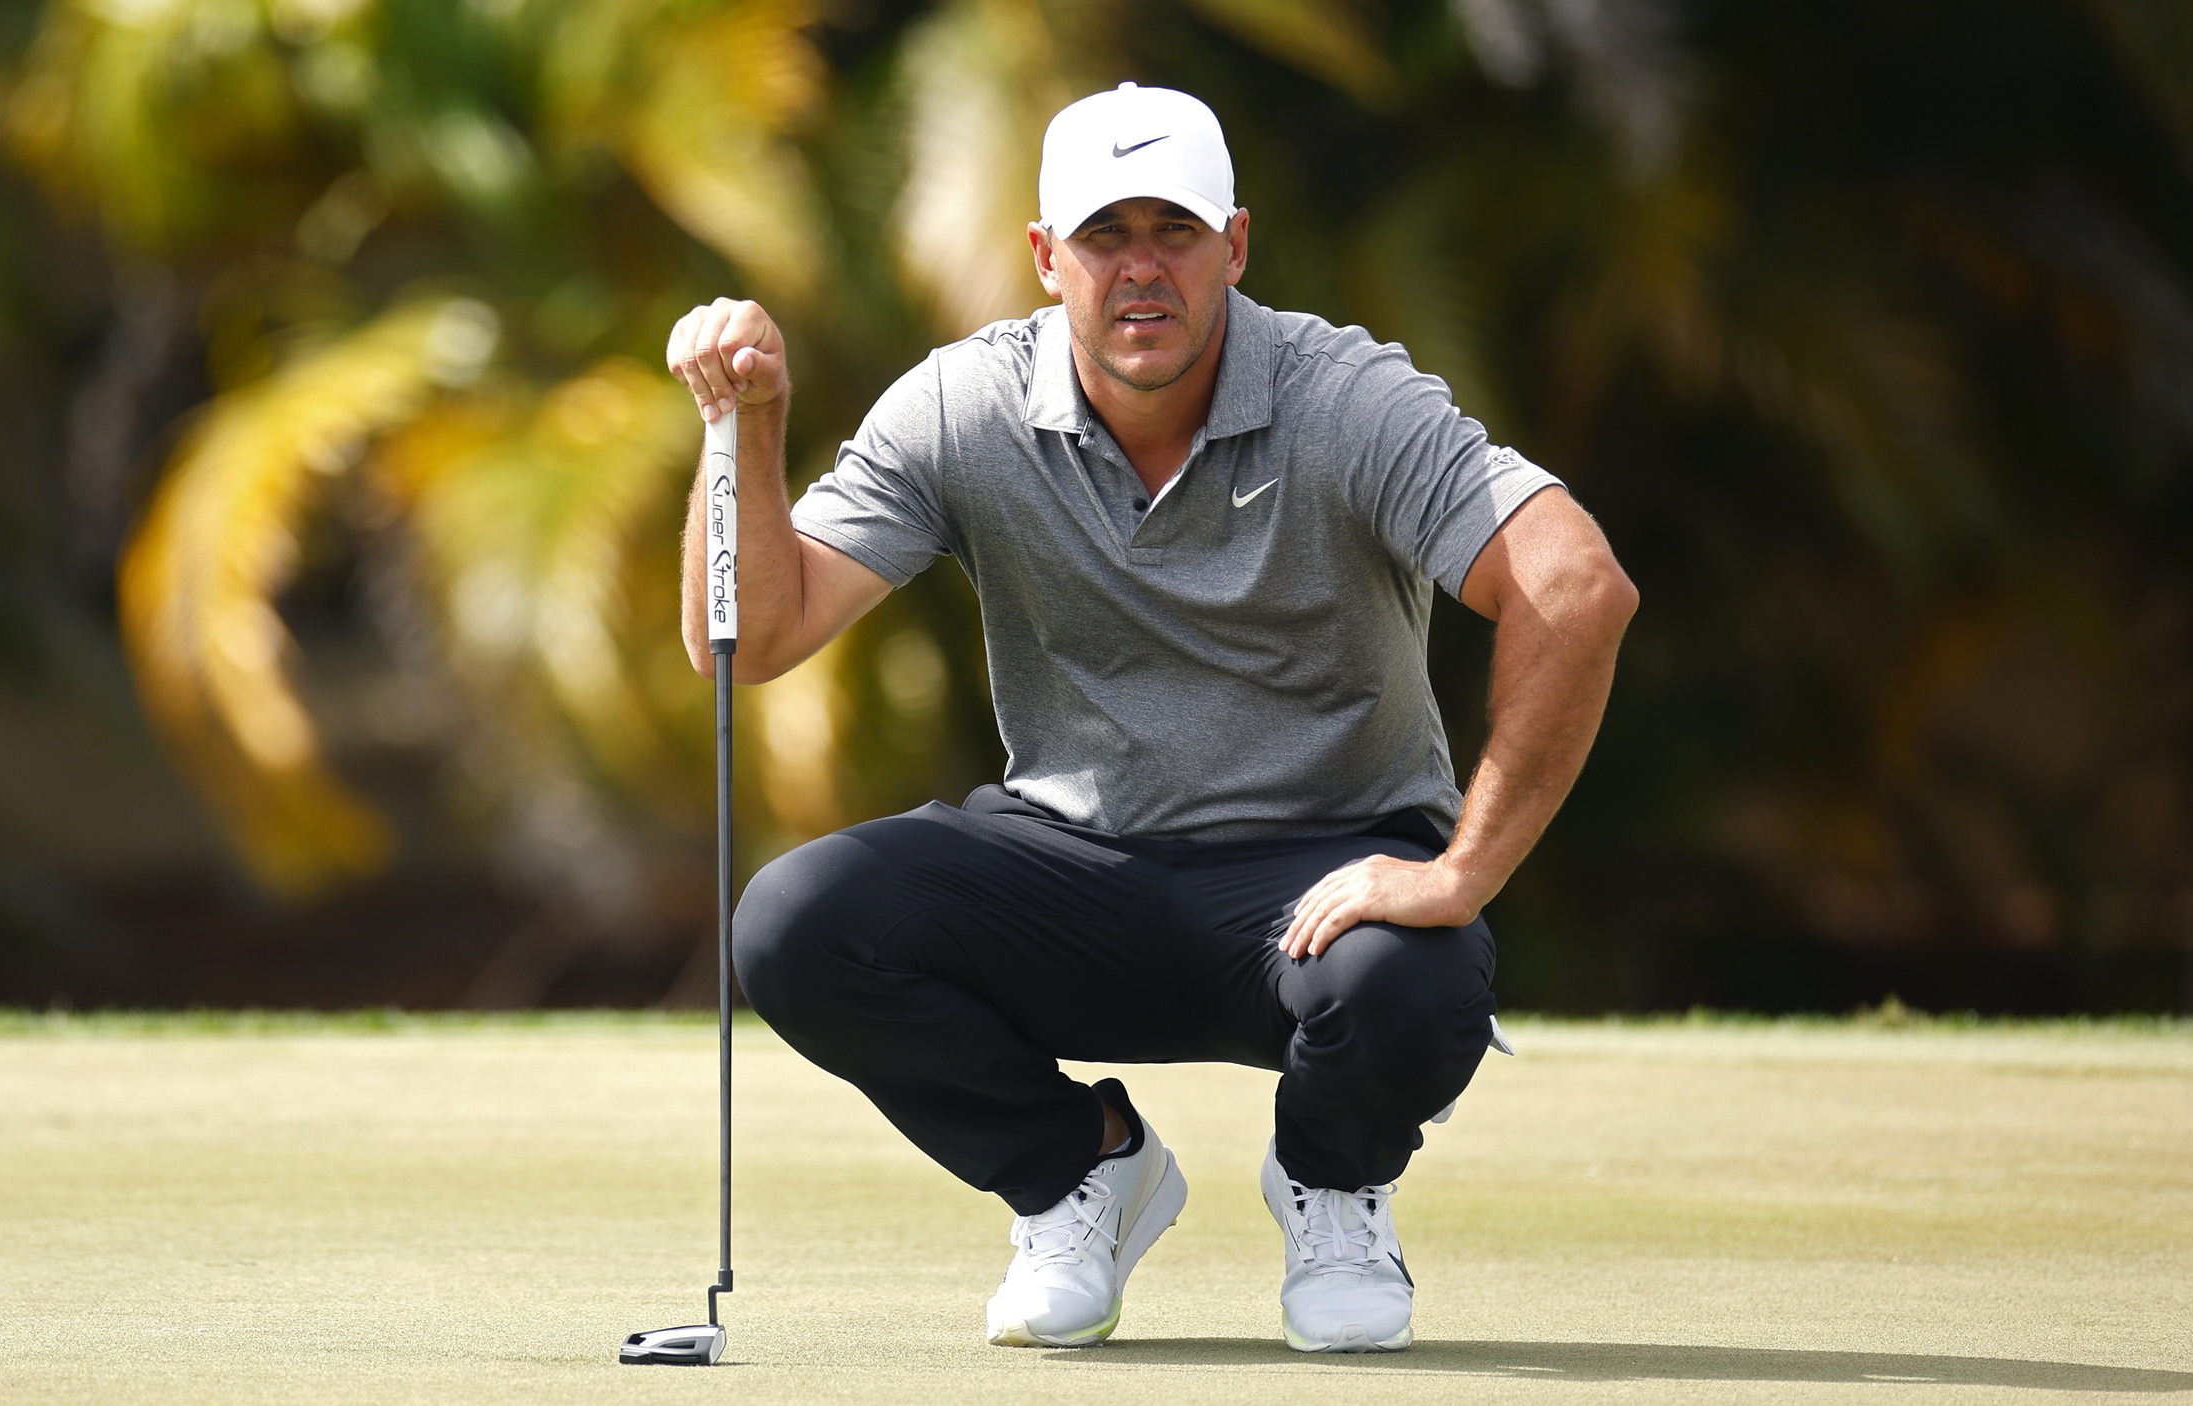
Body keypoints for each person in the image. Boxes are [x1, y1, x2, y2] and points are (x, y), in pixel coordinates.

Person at [665, 82, 1637, 1354]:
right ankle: (1081, 1174)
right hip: (1072, 873)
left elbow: (1575, 587)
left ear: (1233, 245)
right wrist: (747, 427)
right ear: (1042, 257)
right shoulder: (967, 405)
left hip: (1319, 876)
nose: (1140, 271)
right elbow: (750, 639)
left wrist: (1461, 871)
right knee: (799, 920)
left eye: (1172, 233)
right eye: (1103, 235)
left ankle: (1334, 1186)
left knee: (1415, 977)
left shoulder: (1345, 399)